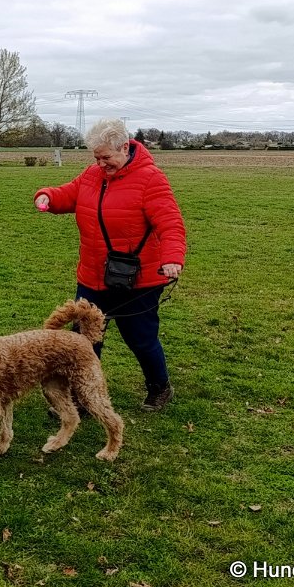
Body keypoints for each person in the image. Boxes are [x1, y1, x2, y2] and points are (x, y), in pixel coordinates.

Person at [34, 118, 186, 411]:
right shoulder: (92, 175)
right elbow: (69, 194)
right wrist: (48, 196)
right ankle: (81, 397)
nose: (101, 164)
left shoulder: (150, 179)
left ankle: (160, 387)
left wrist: (171, 259)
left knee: (140, 339)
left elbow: (171, 225)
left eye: (106, 157)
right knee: (83, 341)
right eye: (96, 158)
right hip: (93, 275)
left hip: (137, 279)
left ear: (125, 148)